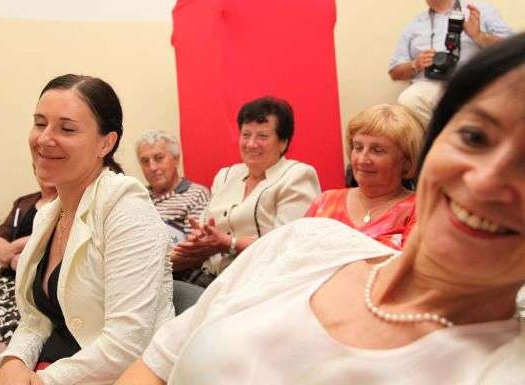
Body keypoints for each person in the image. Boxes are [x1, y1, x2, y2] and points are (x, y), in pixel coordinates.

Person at [117, 33, 525, 384]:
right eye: (475, 136)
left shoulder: (501, 369)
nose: (484, 180)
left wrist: (224, 243)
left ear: (407, 162)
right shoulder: (306, 242)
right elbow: (156, 364)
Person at [0, 74, 174, 385]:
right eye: (40, 124)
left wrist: (41, 381)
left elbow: (128, 343)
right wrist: (12, 362)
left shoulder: (126, 207)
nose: (44, 139)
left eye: (66, 129)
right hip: (53, 368)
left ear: (106, 143)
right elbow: (37, 319)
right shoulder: (49, 215)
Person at [171, 96, 320, 287]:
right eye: (246, 134)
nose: (251, 144)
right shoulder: (225, 176)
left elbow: (288, 245)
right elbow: (205, 231)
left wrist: (228, 243)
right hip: (208, 279)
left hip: (262, 284)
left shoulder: (297, 175)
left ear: (283, 142)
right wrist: (199, 239)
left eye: (262, 136)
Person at [0, 173, 56, 385]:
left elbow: (49, 234)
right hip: (8, 279)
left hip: (36, 279)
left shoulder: (63, 202)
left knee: (7, 331)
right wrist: (8, 253)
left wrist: (15, 250)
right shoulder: (24, 203)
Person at [305, 104, 425, 250]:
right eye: (358, 147)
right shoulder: (325, 202)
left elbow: (414, 263)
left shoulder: (419, 208)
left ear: (406, 162)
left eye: (377, 150)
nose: (362, 159)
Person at [389, 0, 513, 122]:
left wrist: (479, 36)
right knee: (409, 99)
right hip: (431, 87)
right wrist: (416, 64)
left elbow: (512, 49)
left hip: (473, 84)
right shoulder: (413, 25)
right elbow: (395, 72)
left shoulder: (480, 10)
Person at [135, 130, 210, 248]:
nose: (152, 167)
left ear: (176, 159)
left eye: (159, 158)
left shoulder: (196, 194)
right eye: (145, 161)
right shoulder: (136, 197)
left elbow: (193, 249)